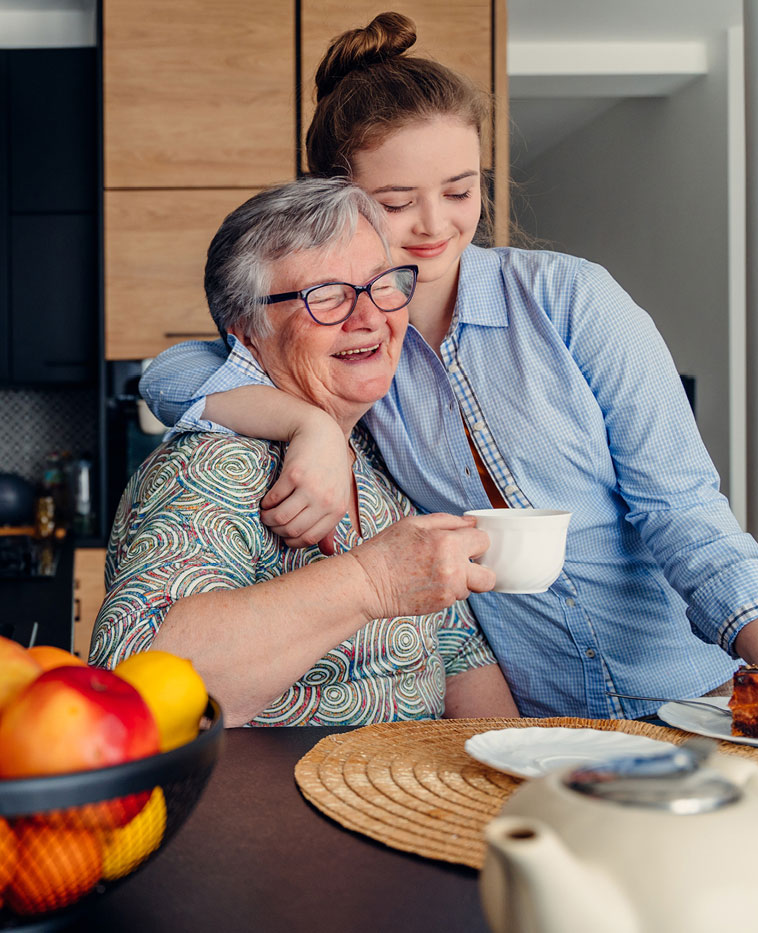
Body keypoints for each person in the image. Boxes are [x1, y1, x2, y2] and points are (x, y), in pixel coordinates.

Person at [140, 12, 758, 720]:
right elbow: (171, 373)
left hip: (690, 695)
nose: (436, 225)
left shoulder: (570, 299)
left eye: (460, 191)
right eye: (396, 202)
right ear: (334, 202)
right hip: (538, 717)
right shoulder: (358, 345)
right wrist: (306, 423)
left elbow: (680, 507)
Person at [90, 177, 518, 728]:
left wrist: (502, 777)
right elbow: (136, 679)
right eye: (326, 296)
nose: (368, 317)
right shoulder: (214, 467)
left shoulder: (380, 450)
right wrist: (372, 581)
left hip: (406, 802)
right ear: (247, 333)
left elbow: (459, 654)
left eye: (380, 284)